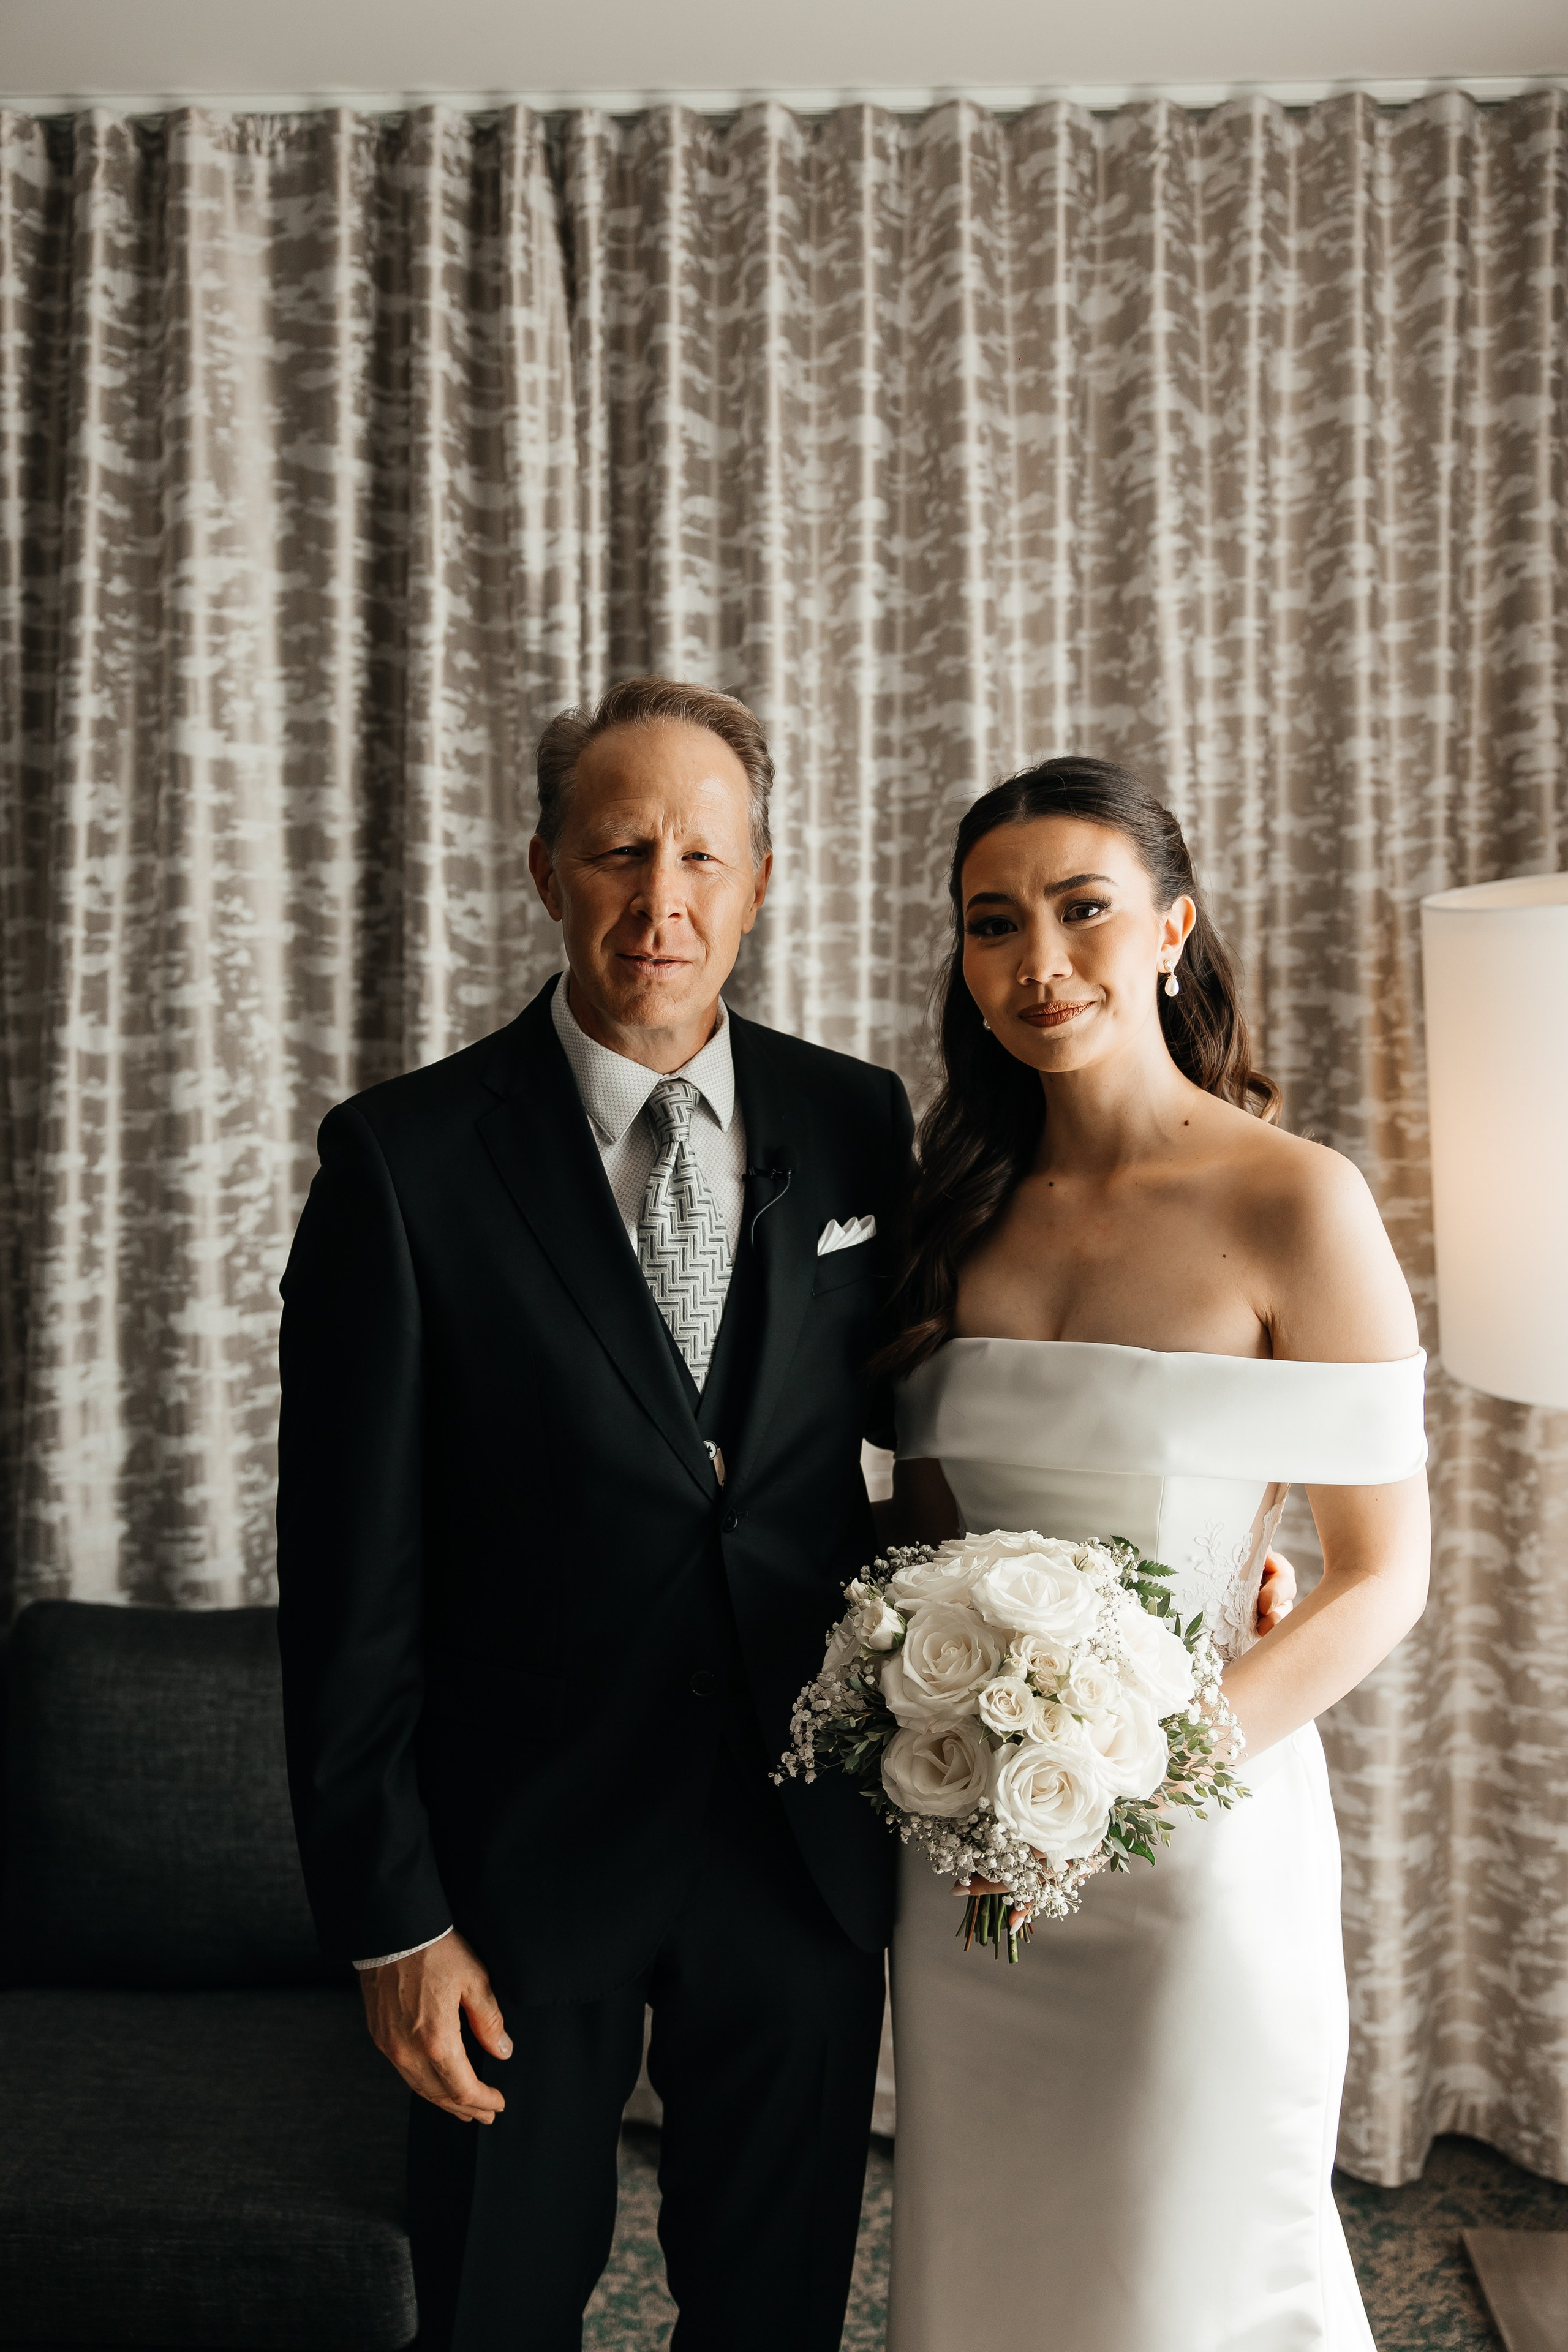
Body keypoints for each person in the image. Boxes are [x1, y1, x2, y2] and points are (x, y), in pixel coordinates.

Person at [276, 687, 1296, 2350]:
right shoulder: (404, 1163)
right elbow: (342, 1578)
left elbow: (959, 1411)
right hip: (522, 1864)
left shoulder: (862, 1125)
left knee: (775, 2310)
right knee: (490, 2306)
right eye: (617, 850)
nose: (657, 900)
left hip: (804, 1849)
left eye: (700, 855)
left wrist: (1206, 1540)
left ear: (761, 881)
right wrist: (395, 1917)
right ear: (545, 870)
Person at [879, 758, 1430, 2352]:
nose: (1038, 961)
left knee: (1182, 2259)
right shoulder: (948, 1202)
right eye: (994, 924)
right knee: (993, 2253)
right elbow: (926, 1525)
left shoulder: (1298, 1204)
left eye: (1082, 910)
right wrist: (936, 1712)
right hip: (978, 1848)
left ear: (1174, 929)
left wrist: (1153, 1762)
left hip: (1199, 1844)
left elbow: (1380, 1574)